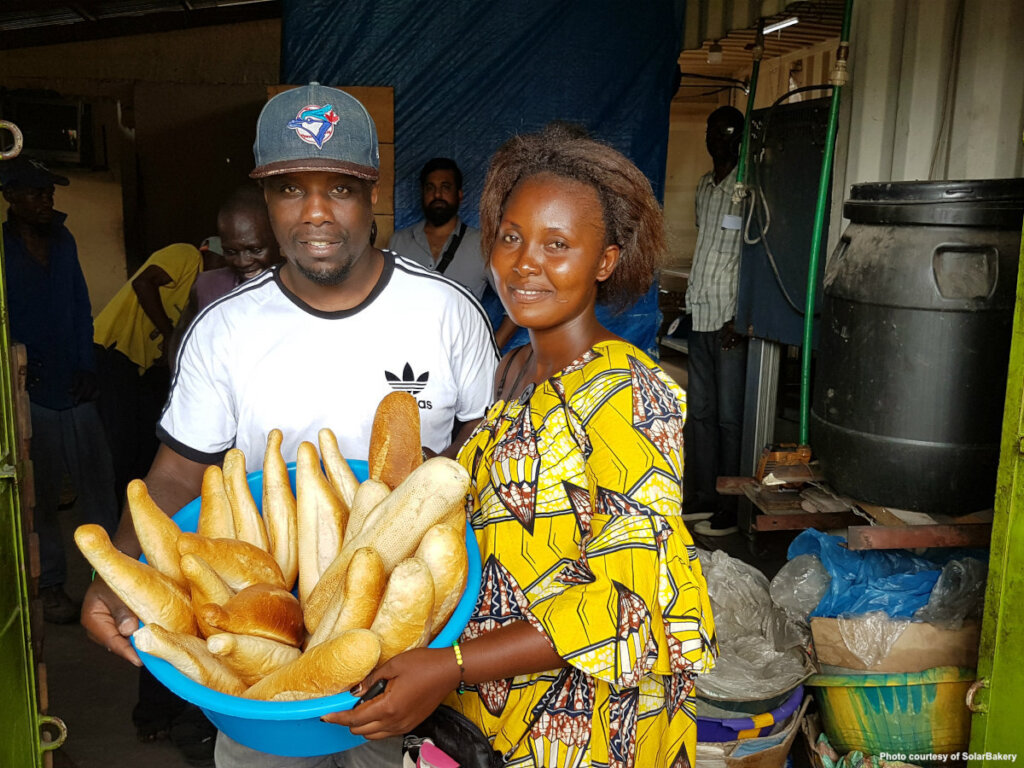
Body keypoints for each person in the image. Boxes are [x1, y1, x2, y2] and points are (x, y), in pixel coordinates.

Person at [80, 83, 498, 768]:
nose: (314, 214)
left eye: (338, 188)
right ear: (265, 201)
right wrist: (119, 571)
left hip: (412, 658)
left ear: (372, 193)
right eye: (288, 190)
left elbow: (482, 461)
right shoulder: (225, 330)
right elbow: (179, 472)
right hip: (266, 665)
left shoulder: (447, 313)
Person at [330, 125, 716, 767]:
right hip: (482, 709)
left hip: (578, 727)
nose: (524, 262)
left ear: (606, 261)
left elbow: (626, 602)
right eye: (511, 236)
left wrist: (449, 666)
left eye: (557, 244)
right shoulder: (512, 369)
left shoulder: (625, 394)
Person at [1, 156, 119, 624]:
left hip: (74, 383)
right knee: (40, 494)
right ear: (10, 197)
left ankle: (112, 579)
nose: (45, 200)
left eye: (48, 192)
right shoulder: (4, 248)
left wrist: (88, 363)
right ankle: (50, 586)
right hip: (28, 389)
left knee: (98, 487)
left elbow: (80, 305)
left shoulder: (64, 240)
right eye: (33, 193)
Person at [93, 237, 224, 506]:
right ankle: (119, 519)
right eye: (226, 260)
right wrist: (168, 333)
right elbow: (144, 283)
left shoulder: (202, 294)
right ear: (210, 254)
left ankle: (138, 511)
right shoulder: (186, 256)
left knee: (142, 446)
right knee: (122, 448)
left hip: (138, 366)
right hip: (112, 350)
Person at [682, 105, 748, 538]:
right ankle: (701, 495)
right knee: (700, 414)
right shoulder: (706, 187)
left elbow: (756, 254)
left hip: (729, 319)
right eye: (711, 129)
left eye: (725, 131)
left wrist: (742, 316)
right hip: (700, 311)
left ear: (740, 138)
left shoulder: (749, 188)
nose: (716, 137)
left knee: (729, 417)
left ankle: (730, 503)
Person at [388, 157, 518, 349]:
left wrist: (492, 350)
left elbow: (516, 299)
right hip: (408, 355)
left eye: (445, 187)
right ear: (423, 194)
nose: (437, 194)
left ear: (459, 195)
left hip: (462, 359)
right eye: (430, 188)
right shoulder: (399, 242)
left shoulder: (482, 244)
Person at [168, 184, 283, 367]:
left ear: (279, 239)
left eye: (255, 250)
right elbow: (181, 338)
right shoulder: (208, 286)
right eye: (231, 251)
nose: (243, 261)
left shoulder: (304, 288)